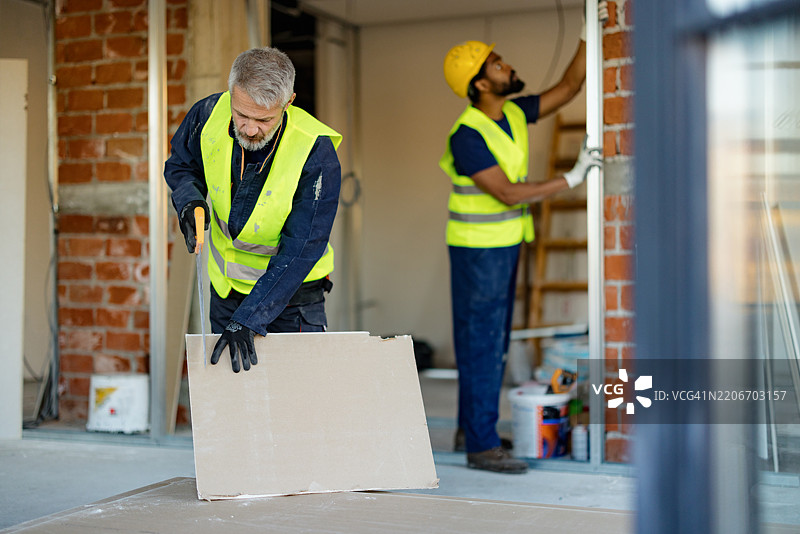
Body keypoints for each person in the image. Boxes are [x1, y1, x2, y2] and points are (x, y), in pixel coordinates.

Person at [440, 8, 604, 473]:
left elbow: (570, 87)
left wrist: (586, 31)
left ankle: (472, 431)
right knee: (483, 344)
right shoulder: (467, 136)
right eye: (496, 64)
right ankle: (481, 446)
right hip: (478, 252)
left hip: (504, 244)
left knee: (491, 341)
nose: (506, 65)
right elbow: (507, 192)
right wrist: (571, 179)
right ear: (480, 85)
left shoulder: (511, 111)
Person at [164, 47, 342, 373]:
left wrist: (251, 316)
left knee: (295, 409)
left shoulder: (315, 152)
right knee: (233, 410)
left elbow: (302, 247)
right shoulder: (207, 114)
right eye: (241, 115)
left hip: (291, 303)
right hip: (225, 293)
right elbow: (181, 166)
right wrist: (189, 200)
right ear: (232, 92)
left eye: (263, 120)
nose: (248, 130)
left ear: (288, 103)